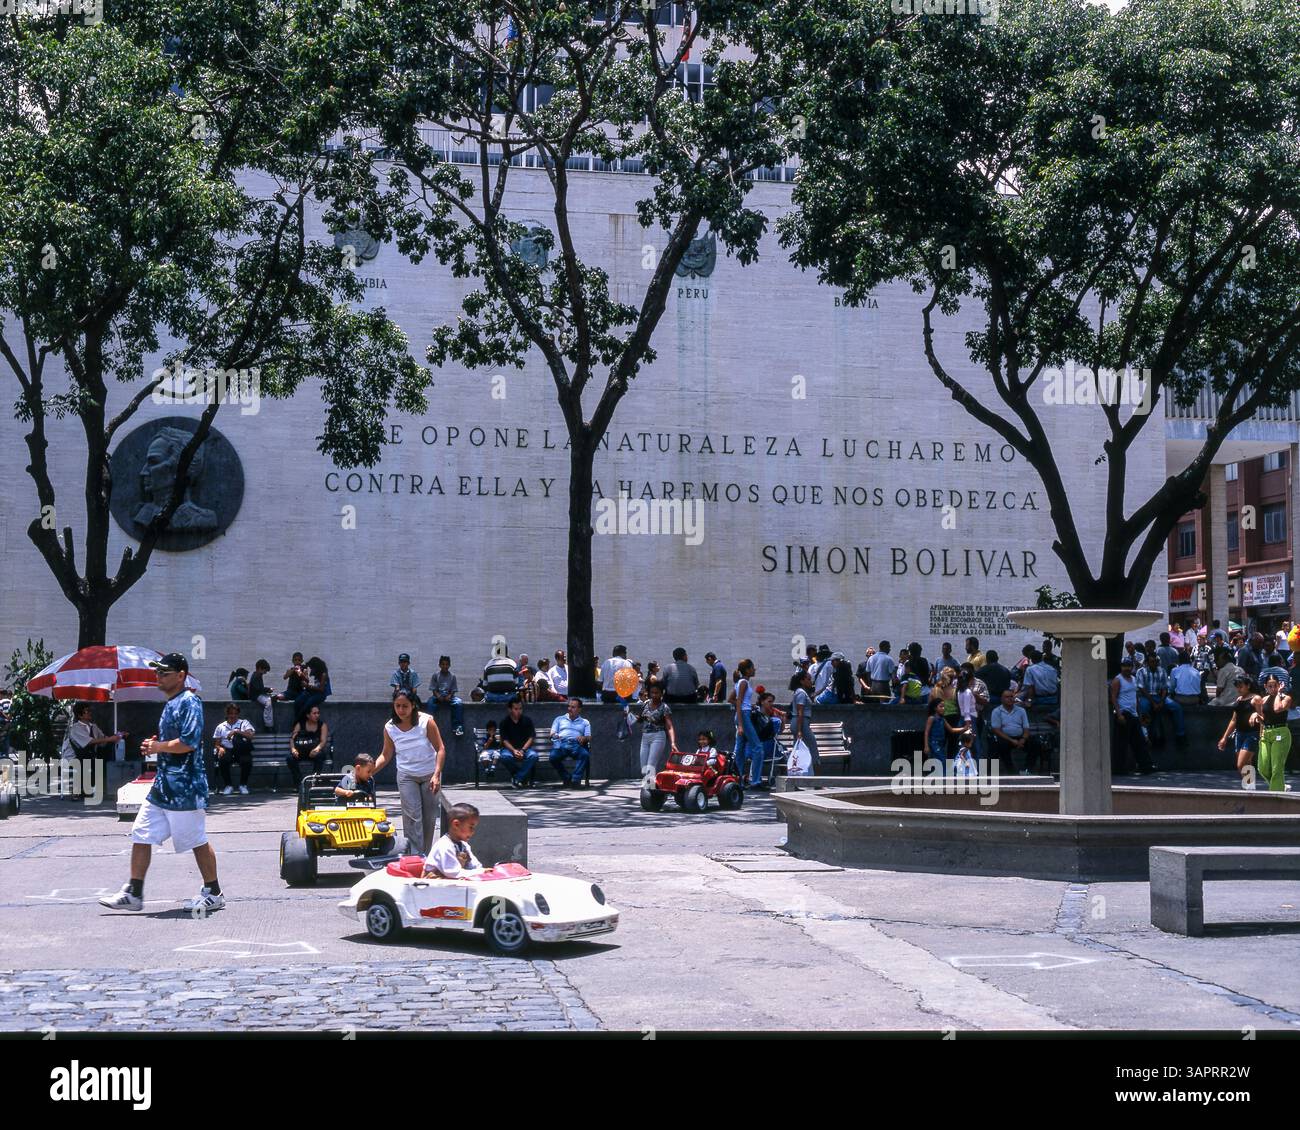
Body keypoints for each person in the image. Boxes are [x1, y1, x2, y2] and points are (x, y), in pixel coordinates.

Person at [99, 653, 223, 913]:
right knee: (141, 833)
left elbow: (188, 742)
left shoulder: (189, 702)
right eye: (157, 672)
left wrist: (158, 746)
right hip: (164, 787)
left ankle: (214, 891)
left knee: (195, 840)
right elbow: (173, 742)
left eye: (164, 673)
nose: (158, 676)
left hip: (185, 788)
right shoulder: (172, 703)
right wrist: (155, 745)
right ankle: (134, 892)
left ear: (181, 676)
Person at [374, 688, 445, 855]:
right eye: (397, 706)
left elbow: (440, 749)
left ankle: (424, 856)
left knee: (428, 819)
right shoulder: (389, 727)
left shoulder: (427, 722)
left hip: (429, 775)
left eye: (405, 706)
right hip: (406, 776)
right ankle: (414, 856)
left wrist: (436, 774)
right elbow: (386, 754)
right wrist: (370, 770)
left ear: (413, 705)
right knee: (413, 818)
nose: (401, 710)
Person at [60, 703, 122, 799]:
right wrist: (109, 739)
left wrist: (118, 736)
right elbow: (88, 742)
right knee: (83, 763)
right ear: (80, 715)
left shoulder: (94, 727)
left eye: (89, 710)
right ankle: (76, 790)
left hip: (89, 755)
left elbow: (103, 738)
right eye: (87, 711)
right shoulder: (76, 728)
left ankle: (87, 789)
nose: (90, 713)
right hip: (74, 756)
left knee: (97, 761)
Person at [1110, 657, 1155, 775]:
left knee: (1139, 742)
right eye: (1124, 666)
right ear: (1121, 667)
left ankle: (1146, 766)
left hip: (1134, 714)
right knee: (1121, 744)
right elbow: (1113, 697)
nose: (1127, 668)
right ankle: (1119, 769)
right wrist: (1119, 714)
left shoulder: (1134, 679)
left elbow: (1135, 697)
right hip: (1124, 714)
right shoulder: (1117, 680)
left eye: (1129, 666)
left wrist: (1139, 714)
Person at [627, 679, 679, 783]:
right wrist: (629, 715)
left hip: (658, 737)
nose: (654, 695)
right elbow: (640, 719)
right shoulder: (645, 704)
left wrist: (673, 742)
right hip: (645, 737)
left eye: (657, 693)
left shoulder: (664, 707)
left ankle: (649, 792)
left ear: (661, 693)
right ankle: (652, 789)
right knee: (644, 768)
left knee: (651, 766)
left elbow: (669, 726)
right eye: (652, 693)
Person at [1135, 651, 1187, 749]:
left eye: (1156, 661)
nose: (1154, 663)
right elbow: (1142, 689)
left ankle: (1181, 735)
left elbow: (1165, 688)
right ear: (1147, 662)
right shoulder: (1141, 671)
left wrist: (1162, 701)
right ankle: (1145, 736)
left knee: (1177, 707)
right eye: (1152, 661)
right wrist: (1154, 703)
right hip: (1146, 697)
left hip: (1159, 697)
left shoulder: (1162, 670)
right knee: (1143, 707)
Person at [1217, 676, 1259, 790]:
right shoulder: (1239, 700)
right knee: (1247, 763)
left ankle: (1250, 786)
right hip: (1240, 734)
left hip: (1252, 734)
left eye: (1241, 686)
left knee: (1241, 764)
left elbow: (1263, 716)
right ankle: (1250, 788)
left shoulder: (1256, 699)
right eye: (1237, 687)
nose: (1239, 689)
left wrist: (1256, 717)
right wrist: (1224, 737)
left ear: (1248, 686)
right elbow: (1233, 720)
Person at [1255, 671, 1293, 792]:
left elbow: (1277, 709)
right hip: (1266, 733)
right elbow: (1264, 720)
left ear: (1279, 685)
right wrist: (1256, 717)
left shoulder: (1286, 698)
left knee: (1277, 767)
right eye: (1270, 686)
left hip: (1280, 733)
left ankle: (1275, 795)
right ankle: (1280, 786)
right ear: (1265, 686)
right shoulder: (1263, 700)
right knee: (1263, 767)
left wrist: (1278, 694)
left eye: (1275, 685)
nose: (1273, 689)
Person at [423, 803, 484, 878]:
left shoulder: (464, 846)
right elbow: (453, 872)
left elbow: (475, 866)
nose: (473, 831)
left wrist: (484, 871)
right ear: (456, 825)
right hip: (434, 885)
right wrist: (480, 872)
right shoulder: (444, 846)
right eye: (471, 827)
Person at [213, 704, 255, 795]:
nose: (233, 716)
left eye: (235, 713)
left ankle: (243, 785)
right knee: (223, 760)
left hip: (241, 749)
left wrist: (236, 731)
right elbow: (217, 744)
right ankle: (228, 785)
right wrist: (220, 748)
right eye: (231, 713)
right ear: (227, 714)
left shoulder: (244, 723)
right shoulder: (221, 726)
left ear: (238, 714)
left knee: (247, 760)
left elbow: (251, 736)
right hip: (227, 749)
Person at [497, 697, 539, 788]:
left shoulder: (527, 721)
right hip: (509, 750)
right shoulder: (504, 722)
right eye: (516, 709)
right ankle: (523, 778)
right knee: (504, 757)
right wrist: (513, 751)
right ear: (510, 710)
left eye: (520, 708)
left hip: (525, 749)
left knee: (534, 756)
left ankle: (517, 778)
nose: (519, 711)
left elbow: (531, 737)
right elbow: (504, 740)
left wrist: (523, 750)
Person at [550, 697, 592, 787]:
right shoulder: (559, 719)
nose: (570, 709)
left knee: (584, 755)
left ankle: (575, 780)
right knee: (553, 757)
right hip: (562, 744)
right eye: (569, 706)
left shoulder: (585, 722)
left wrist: (584, 738)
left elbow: (588, 737)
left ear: (579, 709)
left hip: (576, 745)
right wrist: (555, 735)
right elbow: (552, 733)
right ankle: (567, 778)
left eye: (573, 707)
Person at [988, 689, 1030, 775]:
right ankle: (1011, 772)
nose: (1010, 699)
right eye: (1007, 697)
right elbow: (996, 729)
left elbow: (1026, 728)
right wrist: (1012, 740)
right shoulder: (996, 711)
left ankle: (1027, 769)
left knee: (1036, 745)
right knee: (1000, 746)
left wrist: (1023, 739)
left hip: (1020, 737)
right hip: (1005, 738)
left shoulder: (1021, 710)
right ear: (1002, 699)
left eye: (1012, 697)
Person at [287, 704, 329, 787]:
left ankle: (314, 781)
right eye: (314, 713)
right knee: (290, 758)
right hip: (301, 752)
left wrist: (317, 749)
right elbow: (292, 738)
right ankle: (299, 783)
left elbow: (323, 741)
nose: (317, 715)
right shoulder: (300, 724)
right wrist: (293, 749)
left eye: (318, 713)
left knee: (320, 756)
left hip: (314, 752)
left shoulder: (322, 725)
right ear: (308, 715)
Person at [788, 669, 820, 772]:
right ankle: (818, 781)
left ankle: (795, 779)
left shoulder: (800, 692)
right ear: (802, 681)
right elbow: (800, 712)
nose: (811, 681)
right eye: (809, 679)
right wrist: (799, 731)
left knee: (797, 752)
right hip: (801, 723)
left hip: (799, 723)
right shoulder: (801, 693)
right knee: (813, 748)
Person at [753, 691, 786, 787]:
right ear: (762, 702)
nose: (772, 704)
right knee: (782, 752)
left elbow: (778, 731)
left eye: (772, 702)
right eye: (769, 701)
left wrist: (783, 721)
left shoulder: (772, 716)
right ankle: (782, 778)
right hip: (765, 747)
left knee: (784, 751)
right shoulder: (758, 716)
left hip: (764, 746)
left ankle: (781, 777)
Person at [427, 655, 465, 737]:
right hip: (438, 696)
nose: (445, 666)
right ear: (439, 665)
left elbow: (454, 689)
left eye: (447, 664)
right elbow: (433, 690)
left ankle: (457, 727)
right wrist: (438, 696)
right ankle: (429, 726)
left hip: (449, 696)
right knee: (430, 703)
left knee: (458, 703)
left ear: (449, 665)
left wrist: (450, 696)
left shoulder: (452, 676)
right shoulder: (435, 675)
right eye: (443, 664)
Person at [924, 697, 960, 770]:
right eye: (941, 706)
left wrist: (964, 728)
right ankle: (944, 776)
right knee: (942, 760)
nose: (943, 708)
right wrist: (926, 745)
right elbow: (926, 732)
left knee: (939, 761)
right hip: (934, 743)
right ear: (935, 708)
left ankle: (939, 776)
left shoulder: (942, 719)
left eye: (944, 706)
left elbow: (952, 730)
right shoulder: (931, 718)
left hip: (941, 743)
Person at [294, 656, 331, 721]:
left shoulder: (323, 674)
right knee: (298, 701)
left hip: (320, 694)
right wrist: (299, 669)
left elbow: (321, 689)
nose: (311, 669)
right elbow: (304, 669)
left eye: (312, 668)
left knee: (307, 705)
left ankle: (298, 722)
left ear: (316, 667)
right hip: (312, 692)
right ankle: (299, 722)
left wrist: (307, 686)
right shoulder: (315, 673)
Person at [248, 658, 275, 730]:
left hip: (256, 694)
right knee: (268, 702)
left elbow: (259, 688)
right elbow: (259, 689)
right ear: (260, 668)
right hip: (255, 696)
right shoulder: (256, 676)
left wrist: (267, 690)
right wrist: (268, 689)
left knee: (269, 700)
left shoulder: (257, 675)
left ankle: (269, 724)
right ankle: (268, 725)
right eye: (265, 670)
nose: (265, 672)